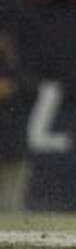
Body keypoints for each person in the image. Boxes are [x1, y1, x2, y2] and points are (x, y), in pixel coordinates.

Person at [0, 31, 36, 212]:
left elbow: (31, 90)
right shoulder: (16, 74)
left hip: (13, 141)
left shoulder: (17, 74)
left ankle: (12, 223)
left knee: (12, 200)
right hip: (11, 139)